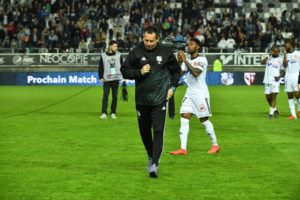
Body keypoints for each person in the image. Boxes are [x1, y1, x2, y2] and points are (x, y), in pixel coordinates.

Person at [121, 26, 181, 178]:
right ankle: (150, 154)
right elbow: (124, 70)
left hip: (160, 99)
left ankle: (154, 164)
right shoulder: (136, 52)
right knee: (144, 131)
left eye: (151, 41)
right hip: (142, 100)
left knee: (158, 131)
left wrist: (172, 88)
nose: (148, 43)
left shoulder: (166, 53)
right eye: (146, 40)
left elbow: (176, 71)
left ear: (157, 39)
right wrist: (139, 72)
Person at [170, 38, 220, 156]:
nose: (189, 46)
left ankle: (215, 144)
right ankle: (183, 148)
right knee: (184, 116)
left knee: (203, 120)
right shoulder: (185, 61)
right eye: (189, 45)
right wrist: (178, 62)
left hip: (200, 94)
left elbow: (196, 73)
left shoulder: (202, 59)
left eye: (192, 45)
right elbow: (178, 73)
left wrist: (185, 61)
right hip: (190, 93)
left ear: (198, 47)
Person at [98, 40, 123, 119]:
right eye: (115, 46)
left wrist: (124, 77)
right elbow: (101, 67)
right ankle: (104, 113)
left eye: (116, 46)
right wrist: (101, 77)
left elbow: (122, 67)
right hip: (107, 80)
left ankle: (113, 112)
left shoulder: (119, 55)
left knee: (115, 97)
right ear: (110, 46)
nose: (116, 48)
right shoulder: (103, 55)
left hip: (116, 79)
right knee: (105, 96)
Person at [261, 45, 284, 119]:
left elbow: (283, 70)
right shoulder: (269, 58)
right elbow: (262, 62)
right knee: (268, 98)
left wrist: (279, 77)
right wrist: (267, 57)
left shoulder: (280, 59)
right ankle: (275, 110)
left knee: (273, 97)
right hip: (266, 80)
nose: (275, 52)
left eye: (277, 51)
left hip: (275, 81)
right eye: (274, 51)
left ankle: (270, 115)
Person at [283, 40, 300, 120]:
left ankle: (299, 111)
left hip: (296, 76)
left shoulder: (298, 53)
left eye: (287, 44)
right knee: (290, 95)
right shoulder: (286, 54)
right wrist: (285, 54)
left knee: (297, 95)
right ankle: (293, 115)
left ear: (291, 45)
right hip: (288, 77)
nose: (285, 45)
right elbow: (285, 65)